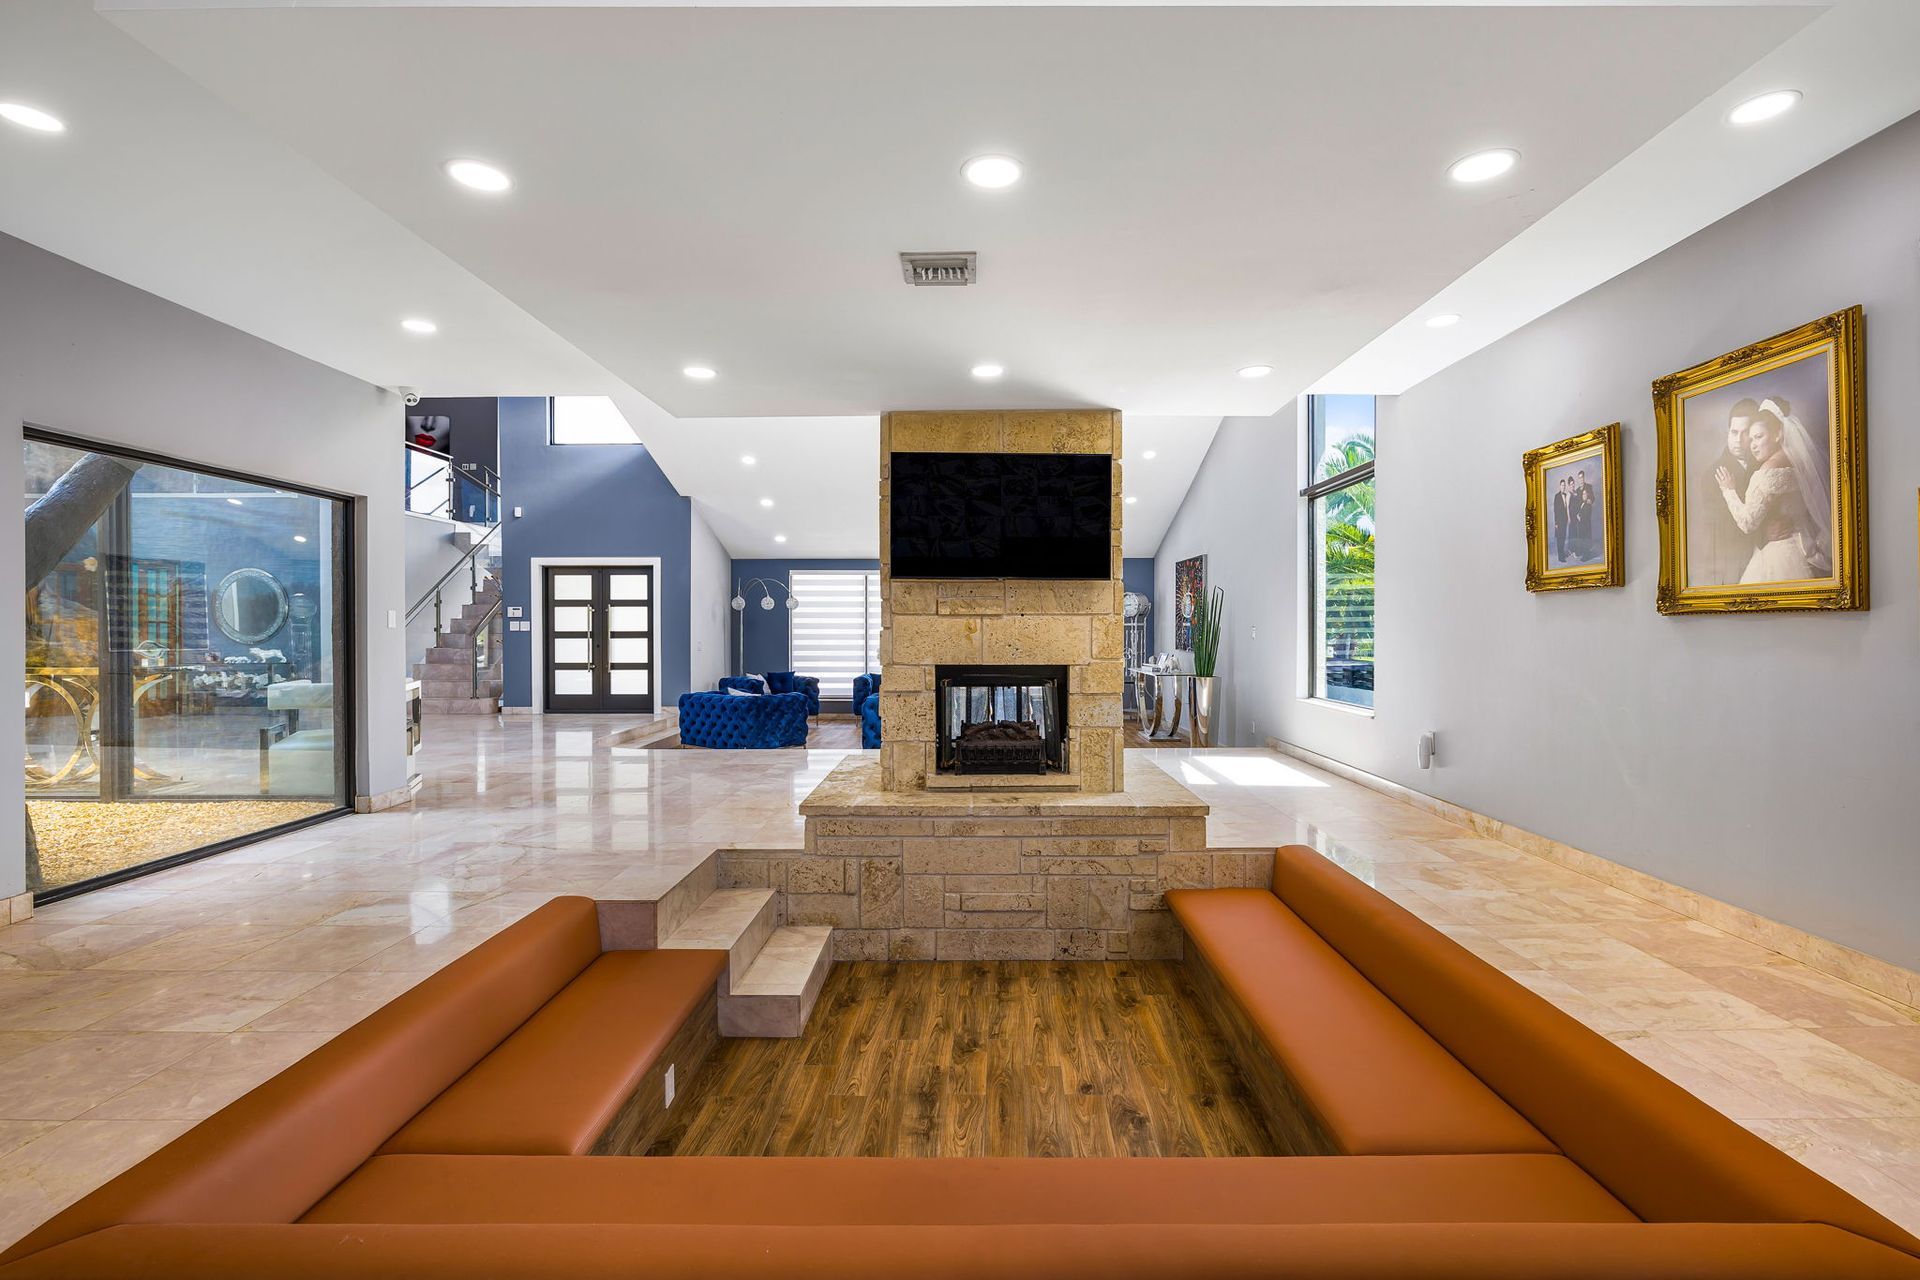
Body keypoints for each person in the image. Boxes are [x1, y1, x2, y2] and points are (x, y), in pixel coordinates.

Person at [1714, 398, 1833, 584]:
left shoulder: (1767, 472)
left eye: (1759, 437)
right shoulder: (1800, 462)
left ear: (1777, 434)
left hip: (1779, 556)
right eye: (1751, 438)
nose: (1752, 444)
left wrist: (1728, 490)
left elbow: (1747, 523)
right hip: (1803, 551)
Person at [1696, 399, 1759, 585]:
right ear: (1727, 432)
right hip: (1735, 563)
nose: (1738, 440)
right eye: (1734, 432)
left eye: (1745, 432)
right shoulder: (1713, 474)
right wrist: (1765, 534)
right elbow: (1726, 528)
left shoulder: (1763, 464)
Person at [1570, 468, 1596, 562]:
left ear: (1584, 478)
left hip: (1586, 514)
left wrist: (1590, 500)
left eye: (1582, 478)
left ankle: (1587, 554)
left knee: (1586, 534)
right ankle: (1582, 551)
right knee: (1581, 534)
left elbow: (1592, 498)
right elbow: (1577, 504)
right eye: (1579, 478)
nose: (1580, 480)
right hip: (1580, 515)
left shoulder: (1589, 487)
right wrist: (1577, 514)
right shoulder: (1577, 490)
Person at [1551, 477, 1570, 564]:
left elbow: (1567, 508)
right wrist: (1556, 523)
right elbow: (1555, 510)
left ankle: (1562, 553)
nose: (1563, 487)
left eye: (1564, 486)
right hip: (1559, 522)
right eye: (1562, 485)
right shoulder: (1557, 496)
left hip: (1565, 520)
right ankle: (1560, 557)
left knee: (1563, 537)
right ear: (1559, 486)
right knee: (1560, 538)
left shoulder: (1566, 495)